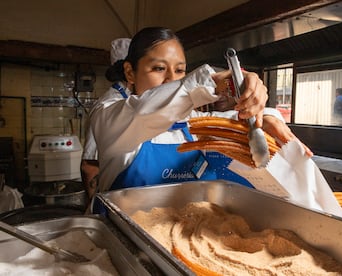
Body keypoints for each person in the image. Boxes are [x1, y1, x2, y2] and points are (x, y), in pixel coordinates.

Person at [89, 27, 311, 193]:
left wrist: (265, 116)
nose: (170, 80)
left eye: (179, 71)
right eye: (158, 69)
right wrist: (212, 81)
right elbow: (144, 113)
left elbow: (229, 120)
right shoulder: (110, 118)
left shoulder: (194, 123)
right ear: (129, 73)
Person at [80, 38, 131, 200]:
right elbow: (90, 166)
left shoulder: (132, 101)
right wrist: (95, 208)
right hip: (112, 200)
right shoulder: (109, 105)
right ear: (129, 71)